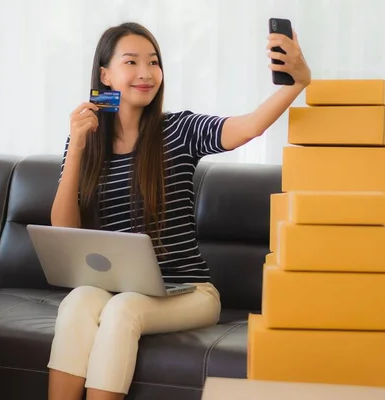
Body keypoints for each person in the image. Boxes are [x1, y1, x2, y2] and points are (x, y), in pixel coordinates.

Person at [48, 21, 311, 400]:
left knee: (123, 310)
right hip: (122, 289)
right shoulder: (86, 146)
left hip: (190, 292)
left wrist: (296, 83)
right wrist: (75, 146)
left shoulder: (179, 131)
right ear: (105, 75)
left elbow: (249, 127)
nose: (145, 73)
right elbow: (64, 230)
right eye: (131, 62)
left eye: (153, 62)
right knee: (78, 301)